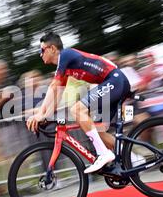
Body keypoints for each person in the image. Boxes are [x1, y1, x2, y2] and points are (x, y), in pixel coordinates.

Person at [27, 32, 142, 174]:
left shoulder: (65, 55)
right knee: (98, 131)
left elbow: (53, 87)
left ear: (52, 48)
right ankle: (134, 159)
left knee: (77, 110)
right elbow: (56, 93)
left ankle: (103, 154)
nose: (40, 54)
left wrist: (40, 115)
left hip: (115, 80)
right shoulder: (67, 69)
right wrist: (43, 114)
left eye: (42, 50)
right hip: (113, 83)